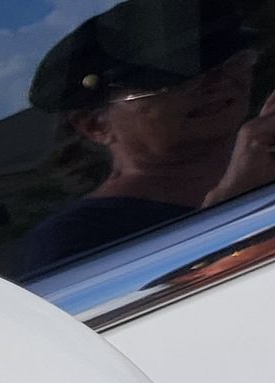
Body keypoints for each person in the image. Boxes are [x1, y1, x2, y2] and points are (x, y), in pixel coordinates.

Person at [20, 0, 275, 274]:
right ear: (95, 125)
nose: (218, 82)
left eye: (232, 61)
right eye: (177, 79)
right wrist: (232, 210)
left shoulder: (261, 154)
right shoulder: (72, 240)